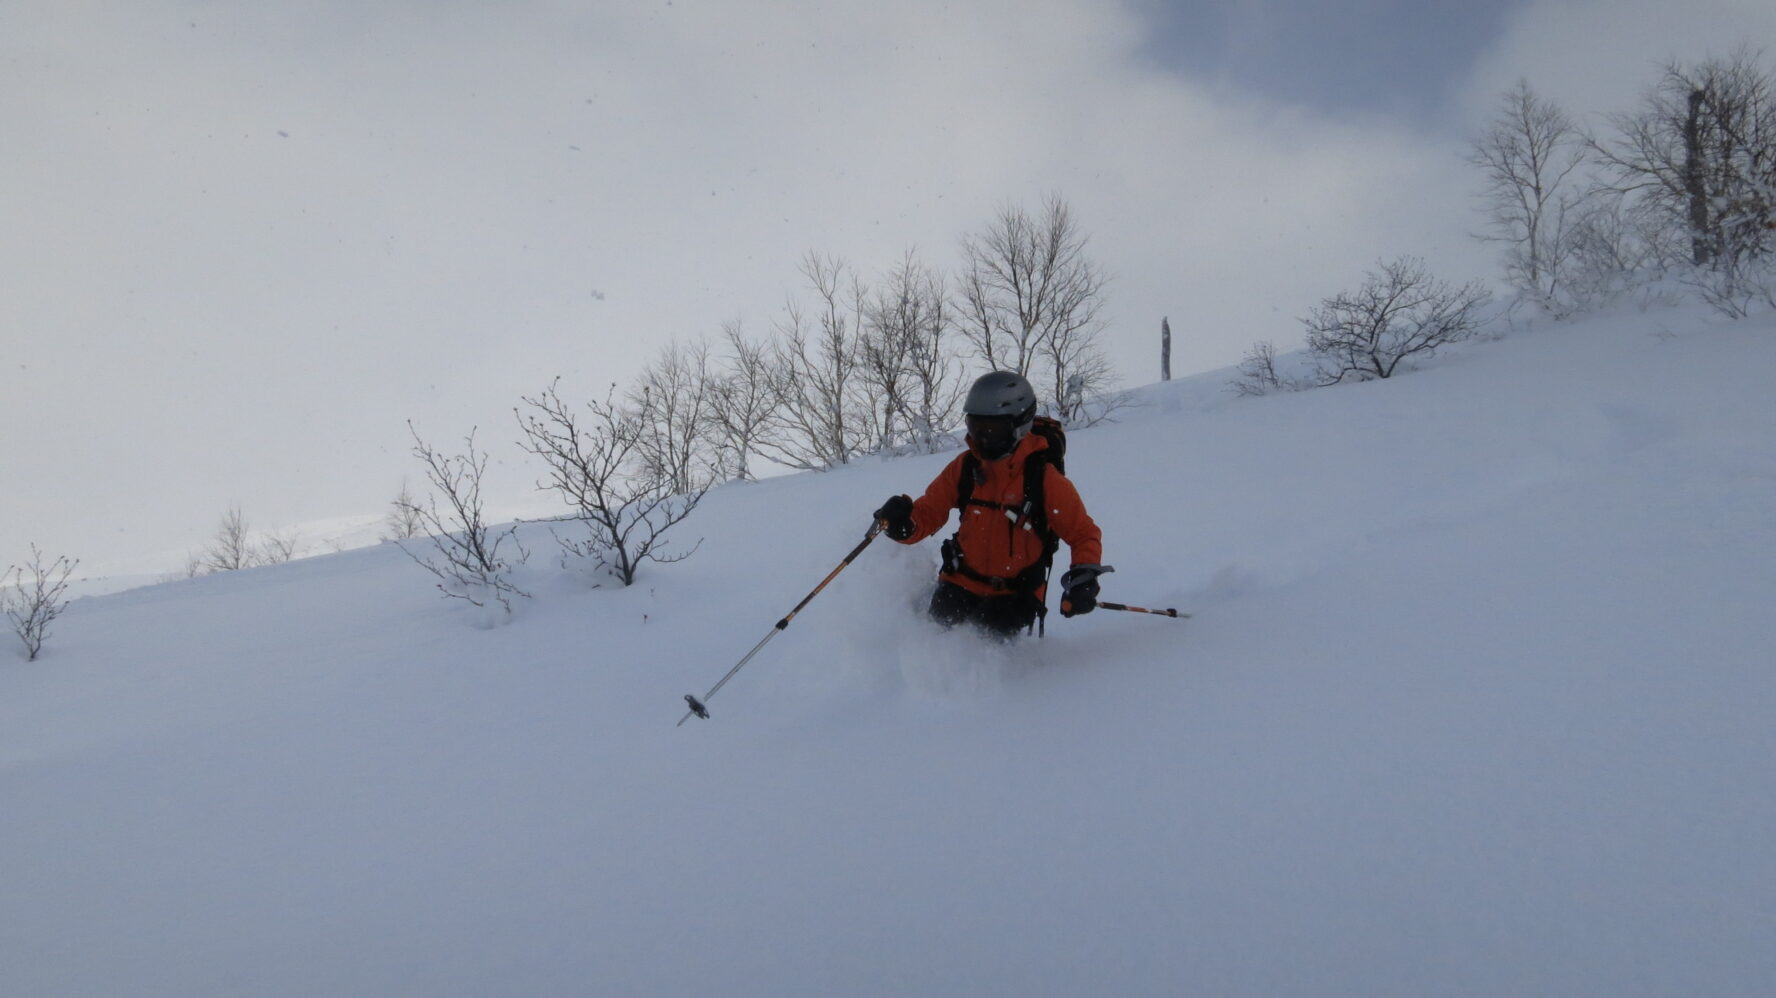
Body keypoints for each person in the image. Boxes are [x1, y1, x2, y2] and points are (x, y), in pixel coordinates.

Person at [873, 371, 1109, 638]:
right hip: (958, 582)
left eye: (992, 430)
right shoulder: (965, 467)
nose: (983, 439)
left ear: (1019, 425)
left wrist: (1083, 578)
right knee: (930, 642)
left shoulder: (1044, 479)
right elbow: (928, 512)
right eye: (976, 428)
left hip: (1013, 595)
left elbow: (1083, 534)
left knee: (990, 659)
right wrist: (903, 524)